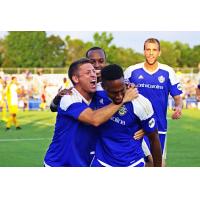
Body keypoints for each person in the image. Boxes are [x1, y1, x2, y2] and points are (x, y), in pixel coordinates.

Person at [44, 58, 137, 167]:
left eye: (93, 71)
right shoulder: (69, 98)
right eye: (88, 73)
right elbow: (94, 119)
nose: (93, 75)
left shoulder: (100, 91)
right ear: (76, 78)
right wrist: (123, 99)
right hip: (60, 163)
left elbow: (121, 90)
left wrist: (144, 129)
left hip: (88, 163)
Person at [124, 38, 183, 166]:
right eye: (148, 49)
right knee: (144, 163)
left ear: (159, 52)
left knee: (158, 165)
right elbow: (117, 91)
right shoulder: (131, 71)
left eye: (154, 50)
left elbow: (177, 98)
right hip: (136, 129)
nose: (151, 53)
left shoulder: (168, 72)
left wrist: (178, 108)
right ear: (144, 51)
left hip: (159, 127)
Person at [90, 64, 162, 167]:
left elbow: (154, 137)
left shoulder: (140, 103)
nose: (119, 96)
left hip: (132, 164)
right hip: (101, 162)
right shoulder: (95, 92)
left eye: (122, 90)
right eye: (114, 93)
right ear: (103, 87)